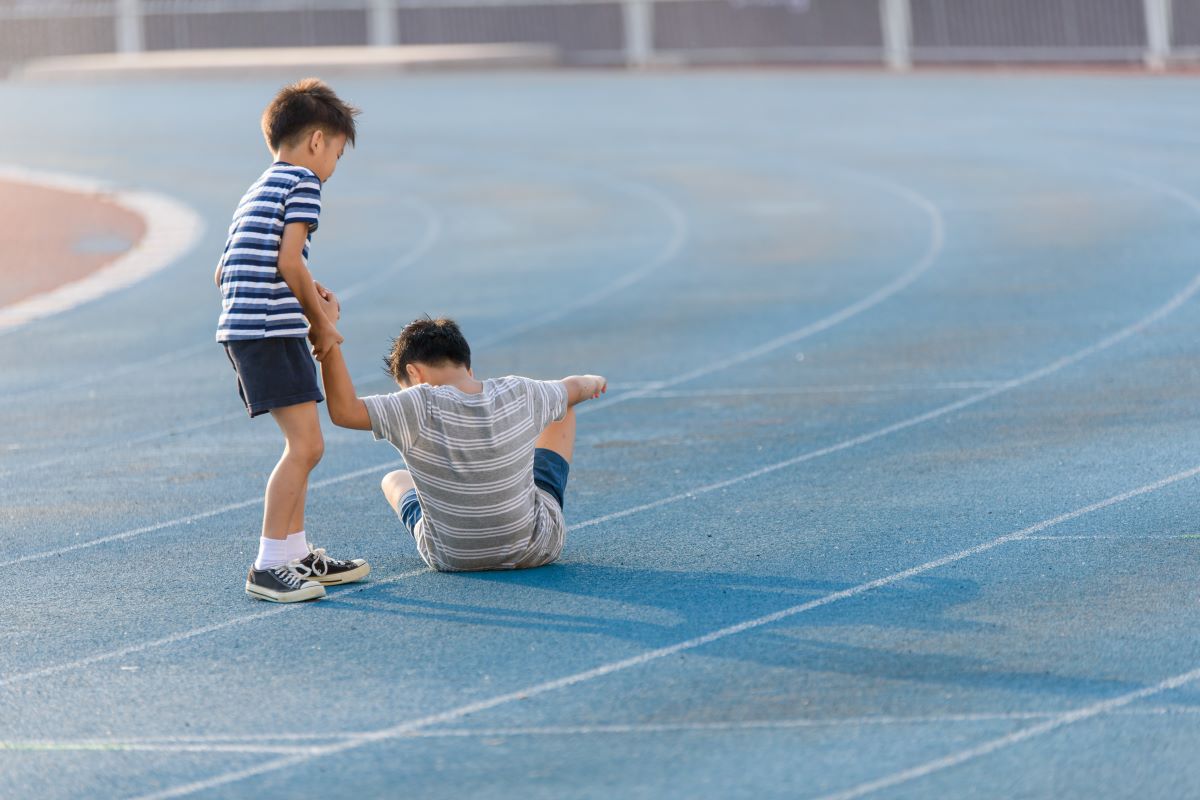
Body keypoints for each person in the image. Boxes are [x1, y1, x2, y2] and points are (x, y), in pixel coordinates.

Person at [214, 78, 369, 602]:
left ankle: (296, 554)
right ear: (318, 140)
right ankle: (267, 564)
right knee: (305, 445)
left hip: (249, 327)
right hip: (267, 331)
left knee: (307, 444)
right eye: (338, 156)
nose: (332, 169)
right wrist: (321, 325)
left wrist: (305, 284)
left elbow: (226, 270)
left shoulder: (258, 187)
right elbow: (284, 261)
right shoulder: (304, 182)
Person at [315, 299, 607, 572]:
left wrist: (327, 336)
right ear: (468, 367)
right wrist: (595, 382)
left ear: (413, 374)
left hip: (450, 556)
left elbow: (343, 411)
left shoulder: (415, 404)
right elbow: (576, 386)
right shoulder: (520, 391)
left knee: (393, 479)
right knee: (563, 406)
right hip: (536, 548)